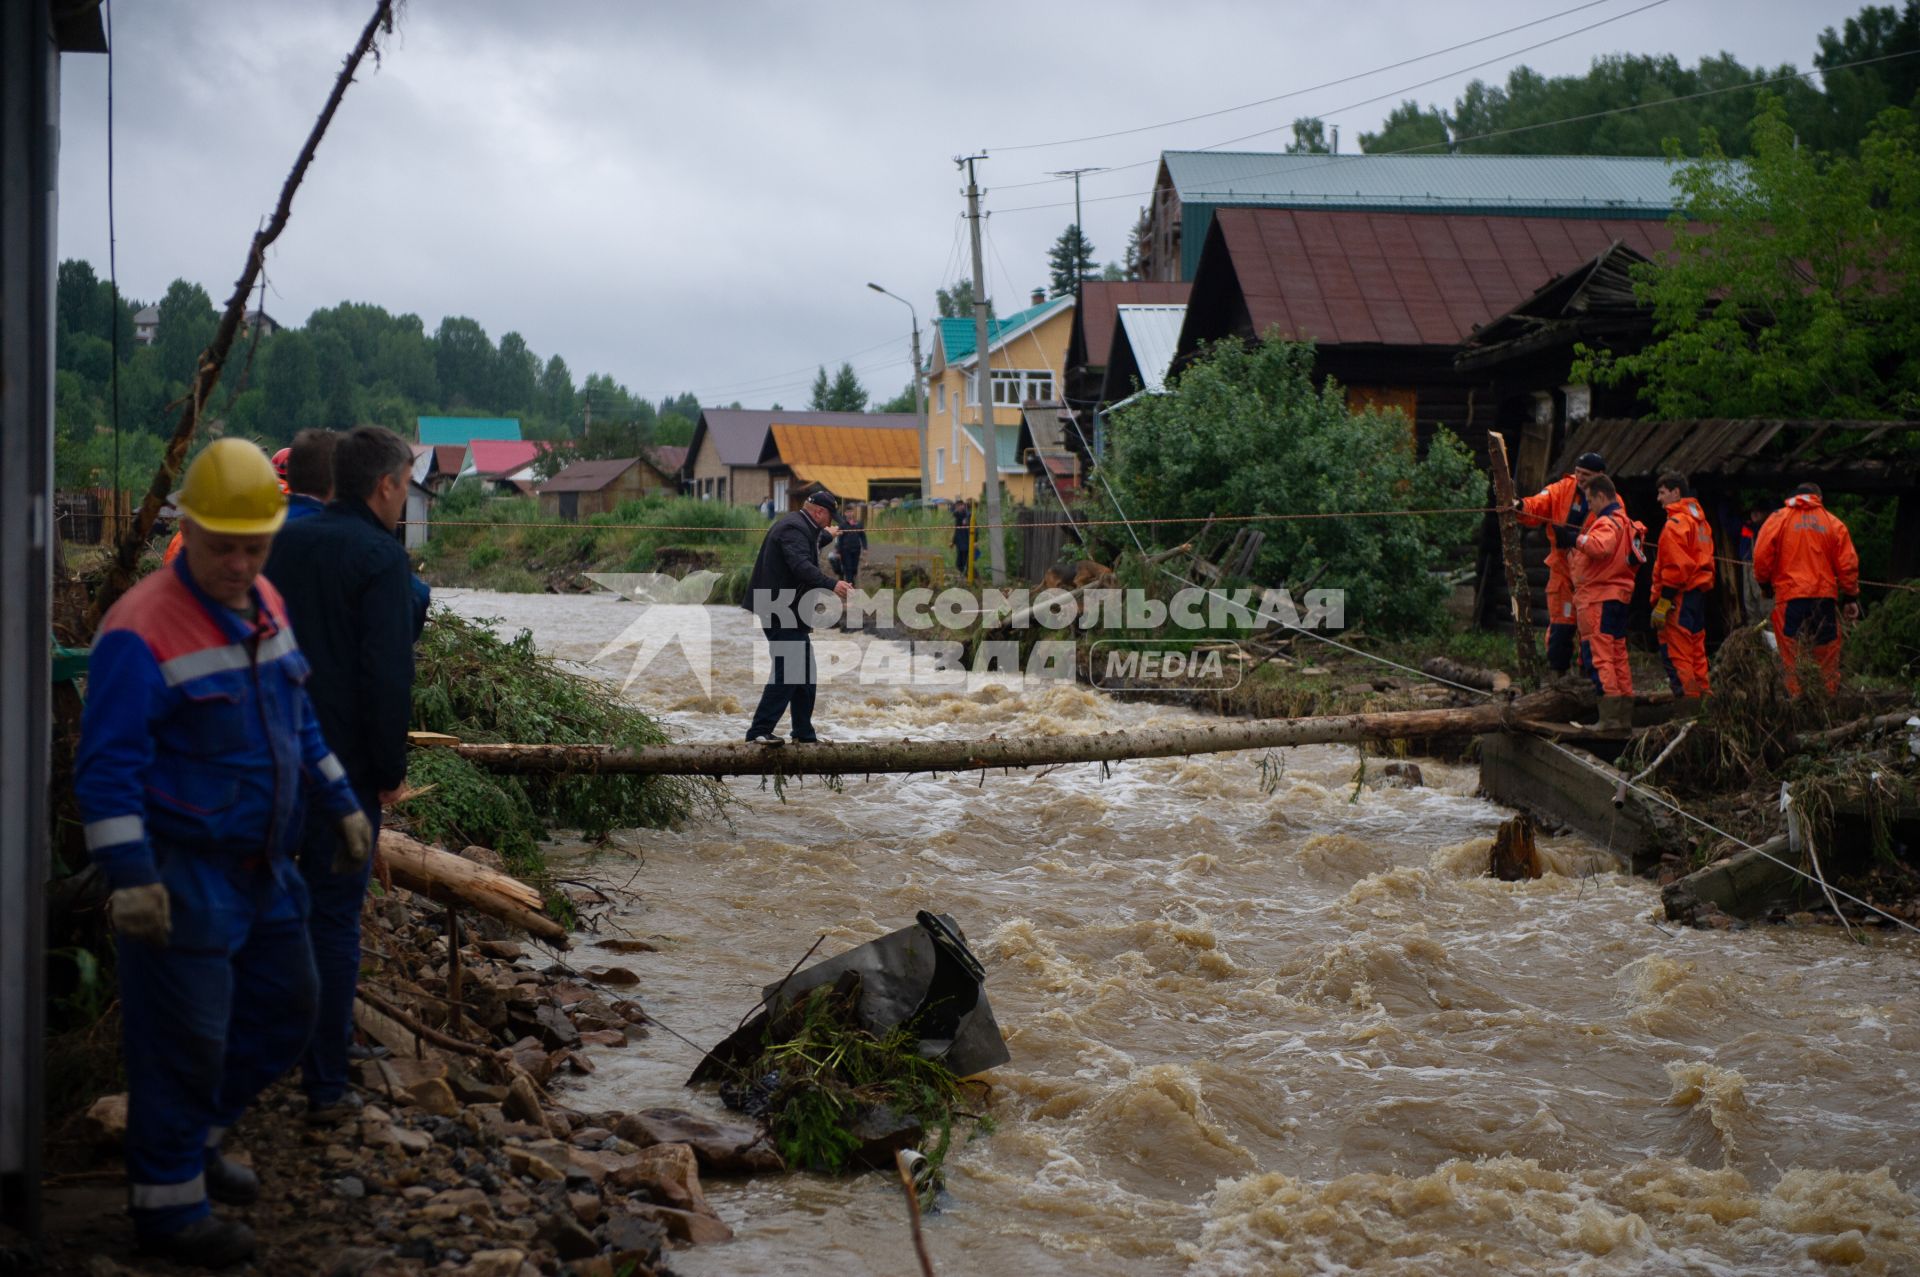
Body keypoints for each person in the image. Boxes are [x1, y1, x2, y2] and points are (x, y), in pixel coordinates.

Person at [75, 439, 370, 1266]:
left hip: (265, 867)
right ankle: (167, 1207)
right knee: (185, 1039)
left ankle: (197, 1137)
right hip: (183, 869)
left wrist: (342, 802)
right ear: (190, 532)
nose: (240, 563)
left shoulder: (264, 599)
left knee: (288, 1010)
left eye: (255, 545)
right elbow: (106, 772)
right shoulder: (139, 630)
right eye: (223, 546)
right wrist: (132, 880)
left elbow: (299, 721)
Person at [262, 426, 418, 1122]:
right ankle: (325, 1084)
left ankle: (262, 1055)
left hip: (271, 754)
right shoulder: (381, 558)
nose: (407, 498)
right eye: (407, 485)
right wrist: (388, 771)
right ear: (383, 485)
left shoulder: (282, 542)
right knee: (332, 918)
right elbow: (385, 674)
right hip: (344, 771)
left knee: (268, 903)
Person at [743, 489, 853, 744]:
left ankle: (803, 734)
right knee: (790, 671)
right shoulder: (793, 529)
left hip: (790, 611)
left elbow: (811, 541)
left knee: (805, 674)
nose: (829, 521)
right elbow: (800, 565)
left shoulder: (803, 526)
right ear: (818, 512)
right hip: (779, 610)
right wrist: (831, 584)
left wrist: (827, 535)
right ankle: (759, 731)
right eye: (828, 517)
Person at [1752, 482, 1860, 696]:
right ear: (1817, 497)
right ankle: (1826, 701)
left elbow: (1761, 556)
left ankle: (1798, 701)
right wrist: (1850, 597)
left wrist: (1765, 585)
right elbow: (1848, 564)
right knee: (1826, 654)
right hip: (1824, 598)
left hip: (1791, 597)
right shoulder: (1832, 522)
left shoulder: (1778, 519)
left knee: (1792, 653)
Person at [1514, 451, 1608, 679]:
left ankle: (1588, 678)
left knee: (1591, 630)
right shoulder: (1562, 489)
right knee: (1561, 625)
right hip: (1563, 570)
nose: (1580, 478)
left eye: (1586, 474)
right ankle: (1558, 677)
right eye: (1578, 472)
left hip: (1592, 575)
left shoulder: (1610, 500)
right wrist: (1519, 506)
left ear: (1600, 475)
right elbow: (1539, 503)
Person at [1569, 473, 1646, 726]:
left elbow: (1599, 548)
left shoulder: (1607, 522)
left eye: (1590, 501)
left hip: (1599, 599)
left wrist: (1575, 538)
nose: (1589, 507)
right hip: (1618, 597)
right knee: (1617, 655)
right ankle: (1623, 715)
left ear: (1602, 496)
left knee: (1600, 656)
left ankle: (1610, 719)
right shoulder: (1625, 522)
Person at [1650, 471, 1714, 703]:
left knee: (1678, 652)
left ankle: (1688, 705)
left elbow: (1676, 568)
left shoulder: (1676, 524)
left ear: (1676, 492)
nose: (1659, 498)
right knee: (1697, 651)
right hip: (1697, 595)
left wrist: (1664, 602)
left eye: (1662, 492)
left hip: (1678, 595)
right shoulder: (1701, 524)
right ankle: (1704, 701)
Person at [836, 505, 867, 585]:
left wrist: (865, 548)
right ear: (845, 513)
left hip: (856, 549)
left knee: (854, 568)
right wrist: (838, 551)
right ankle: (850, 585)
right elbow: (839, 539)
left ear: (853, 512)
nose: (849, 514)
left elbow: (863, 536)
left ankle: (852, 582)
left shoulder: (858, 524)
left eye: (851, 512)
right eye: (848, 512)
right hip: (845, 550)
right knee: (848, 568)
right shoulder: (842, 525)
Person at [952, 500, 973, 576]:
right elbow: (956, 530)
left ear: (963, 505)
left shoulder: (968, 515)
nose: (958, 508)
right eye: (956, 506)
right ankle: (964, 577)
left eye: (959, 506)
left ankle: (972, 577)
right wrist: (953, 542)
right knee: (959, 563)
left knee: (966, 562)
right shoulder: (957, 516)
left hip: (967, 541)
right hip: (959, 542)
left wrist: (975, 541)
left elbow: (975, 528)